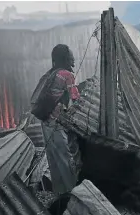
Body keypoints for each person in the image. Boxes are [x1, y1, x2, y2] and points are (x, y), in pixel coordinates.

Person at [40, 44, 82, 195]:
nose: (73, 58)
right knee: (65, 160)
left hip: (44, 122)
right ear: (65, 58)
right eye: (71, 56)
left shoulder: (50, 74)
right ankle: (74, 194)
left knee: (54, 161)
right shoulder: (67, 75)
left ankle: (59, 195)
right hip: (56, 123)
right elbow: (76, 99)